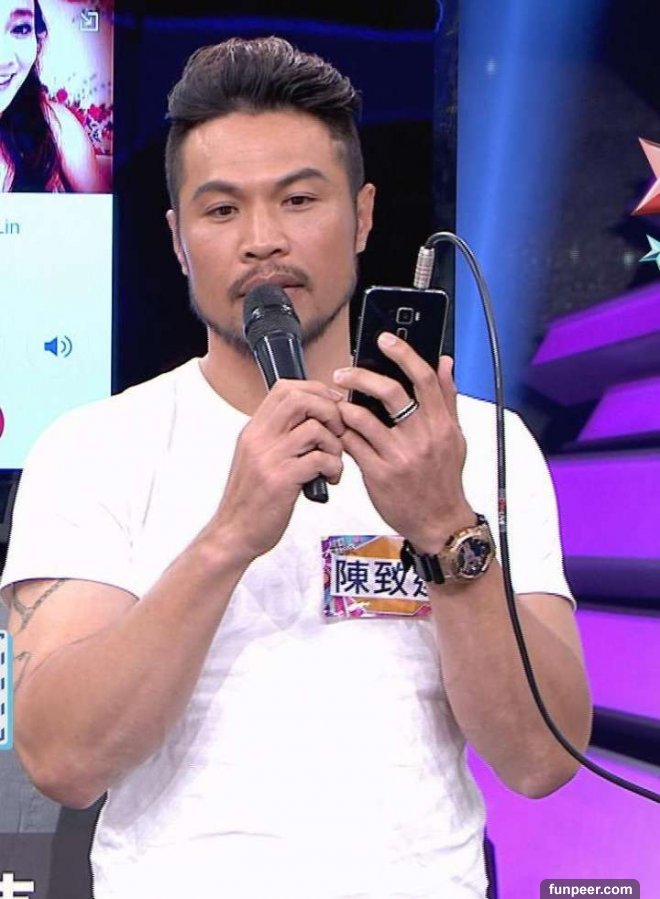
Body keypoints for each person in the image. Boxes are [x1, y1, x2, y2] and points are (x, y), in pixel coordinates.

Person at [1, 36, 592, 899]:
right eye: (221, 210)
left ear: (362, 216)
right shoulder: (95, 448)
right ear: (177, 240)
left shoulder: (475, 444)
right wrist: (227, 537)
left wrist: (444, 528)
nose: (263, 241)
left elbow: (542, 757)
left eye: (299, 199)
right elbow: (62, 758)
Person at [0, 0, 105, 192]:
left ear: (37, 40)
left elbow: (105, 209)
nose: (3, 59)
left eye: (20, 29)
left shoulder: (57, 126)